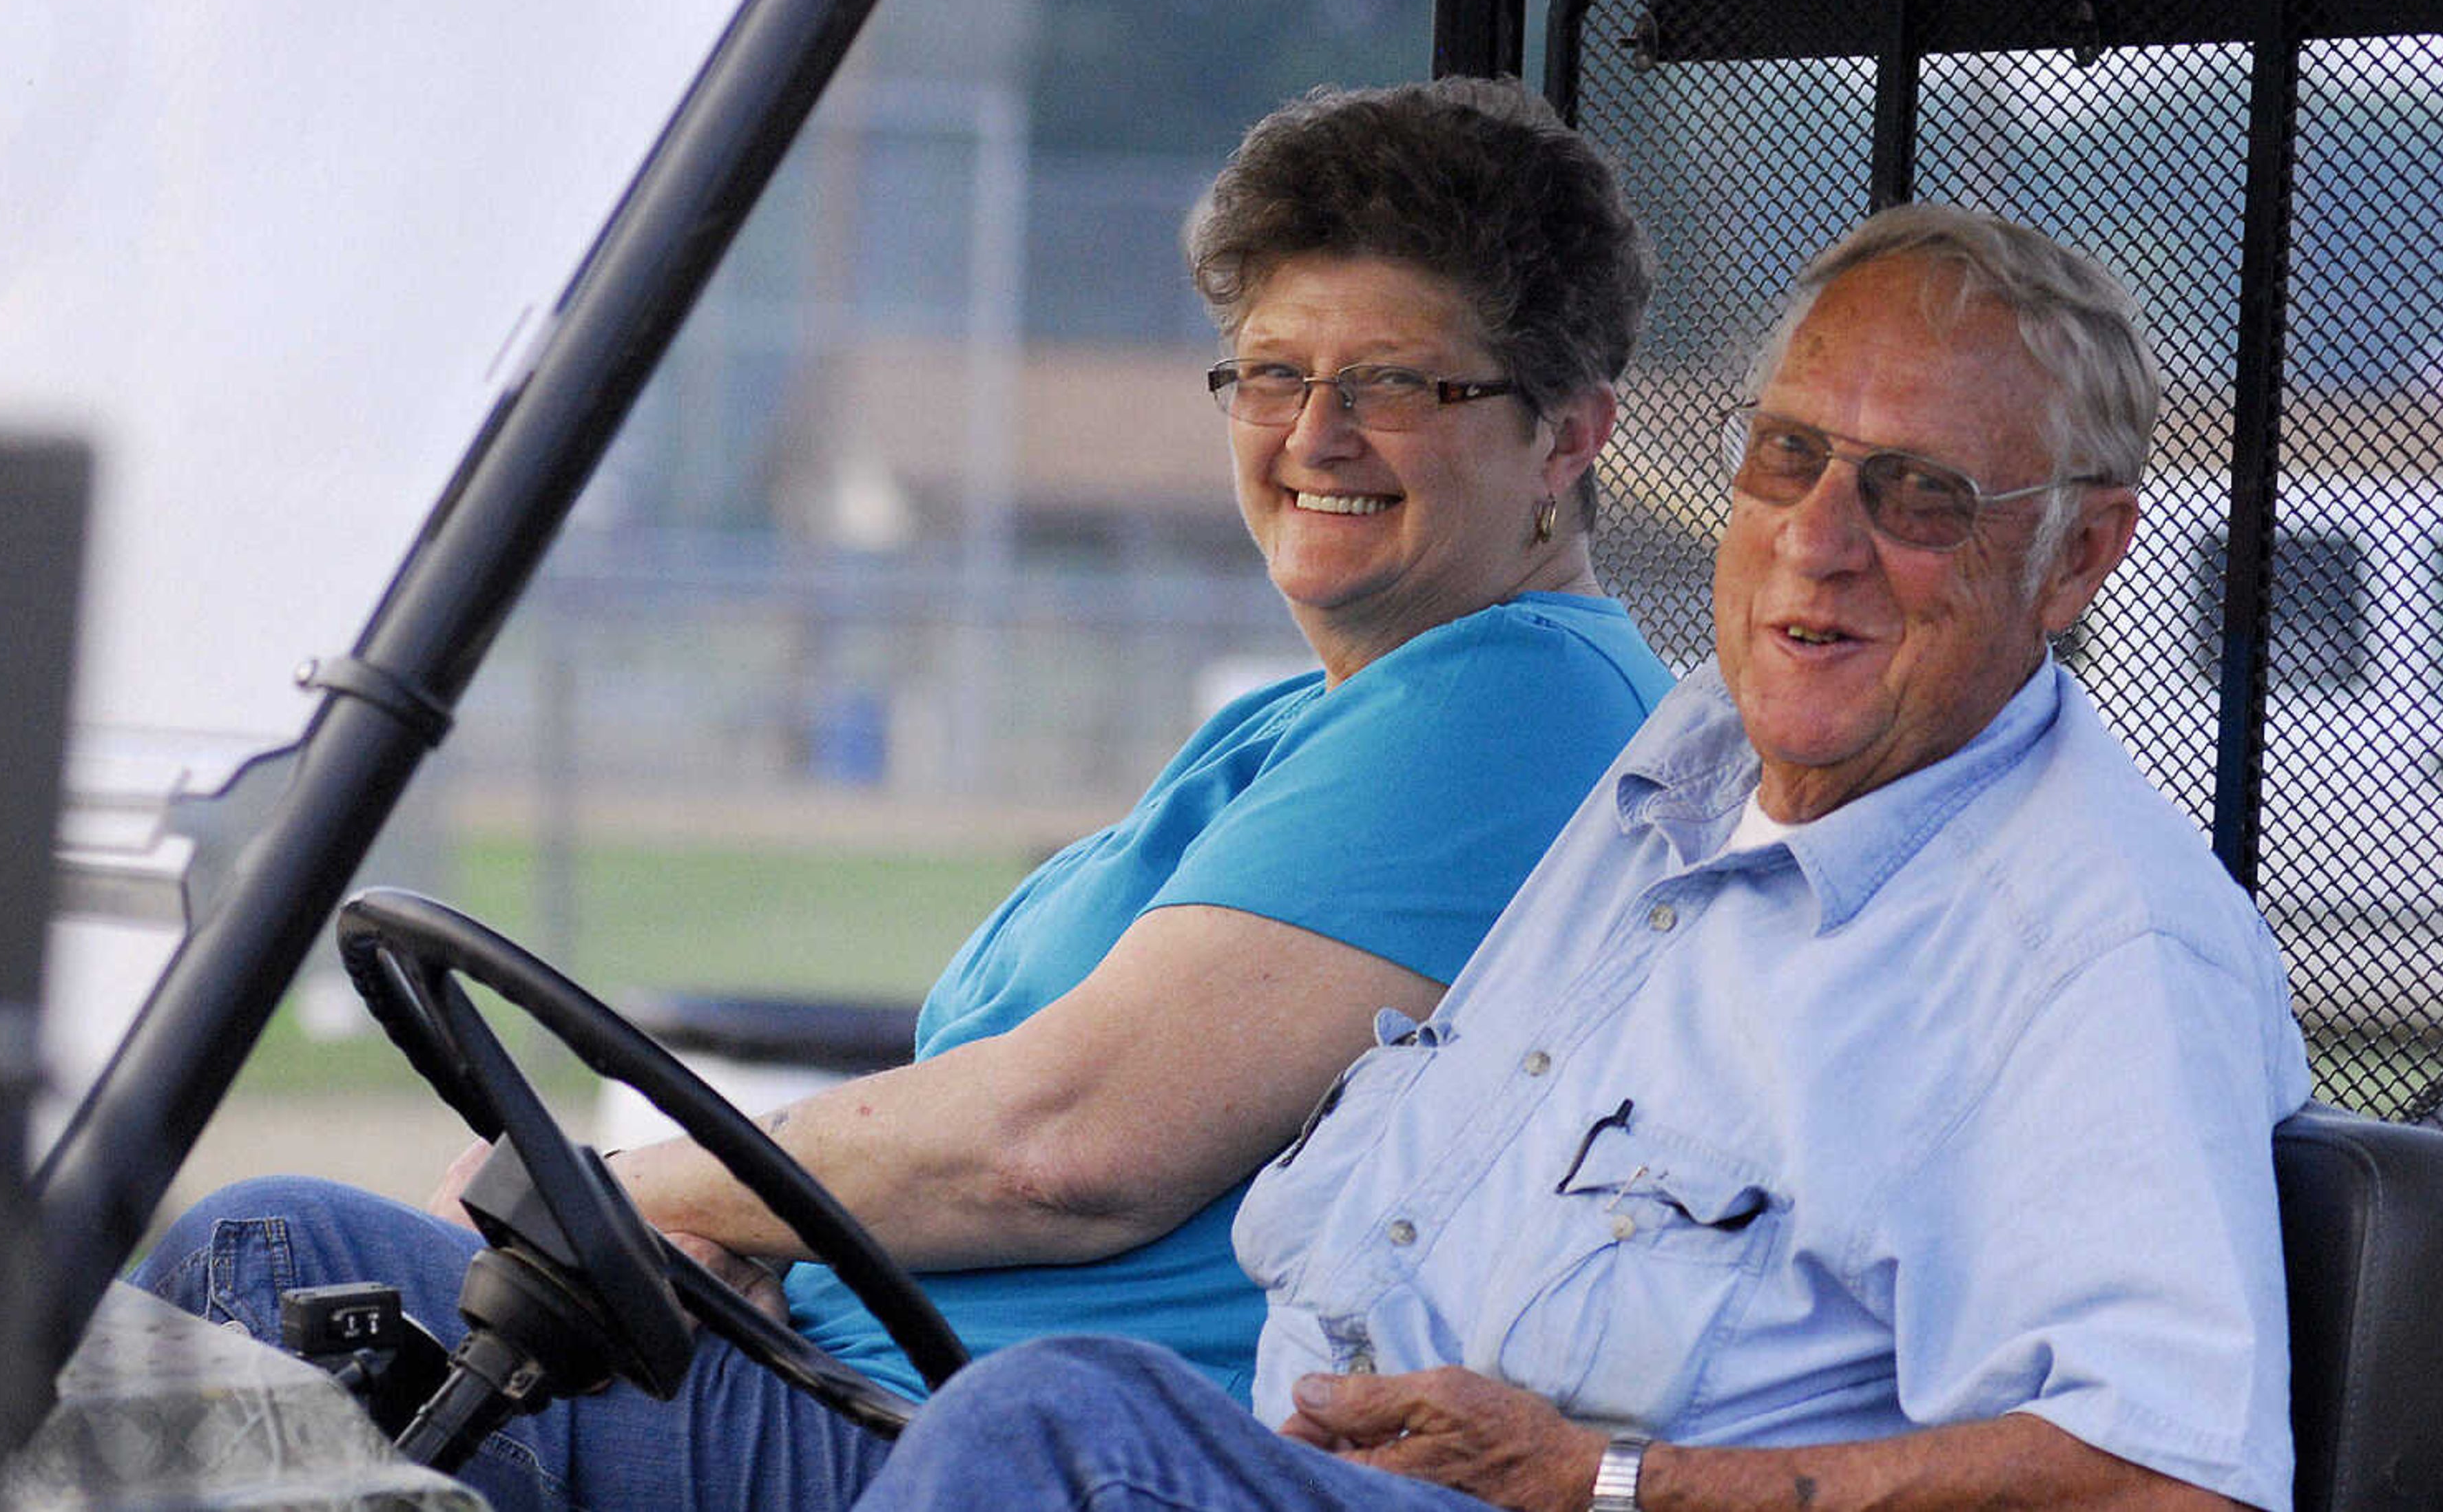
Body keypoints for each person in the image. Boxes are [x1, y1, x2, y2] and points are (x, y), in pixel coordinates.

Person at [132, 76, 1674, 1510]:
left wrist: (639, 1191)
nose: (1314, 434)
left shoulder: (1517, 701)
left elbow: (1069, 1145)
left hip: (984, 1441)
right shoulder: (1315, 720)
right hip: (847, 1368)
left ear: (1570, 432)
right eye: (1271, 374)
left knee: (269, 1258)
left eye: (1393, 383)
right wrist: (726, 1233)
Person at [844, 203, 2316, 1512]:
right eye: (1788, 456)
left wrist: (1609, 1485)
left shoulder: (2094, 942)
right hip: (1308, 1455)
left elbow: (2170, 1479)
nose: (1818, 539)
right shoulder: (1682, 773)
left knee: (1058, 1434)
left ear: (2077, 555)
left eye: (1918, 494)